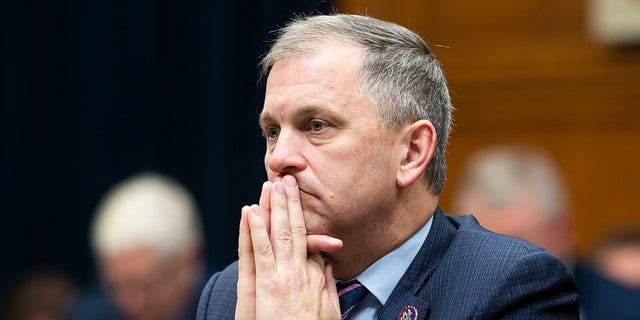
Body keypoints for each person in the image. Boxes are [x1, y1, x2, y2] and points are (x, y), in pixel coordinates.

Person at [197, 13, 579, 319]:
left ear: (411, 152)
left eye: (316, 126)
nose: (279, 158)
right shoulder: (231, 292)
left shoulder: (510, 285)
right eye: (273, 131)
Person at [66, 172, 206, 320]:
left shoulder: (225, 307)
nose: (133, 304)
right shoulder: (90, 314)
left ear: (192, 260)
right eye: (116, 287)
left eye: (147, 285)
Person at [449, 144, 577, 268]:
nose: (494, 262)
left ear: (561, 233)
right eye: (478, 244)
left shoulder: (593, 289)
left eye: (515, 245)